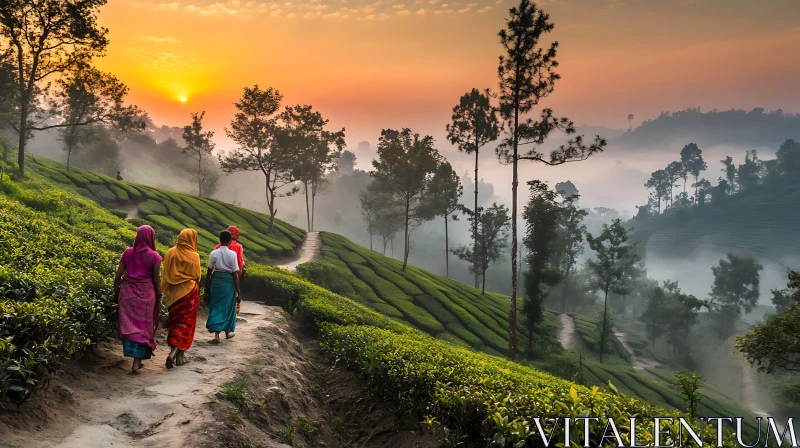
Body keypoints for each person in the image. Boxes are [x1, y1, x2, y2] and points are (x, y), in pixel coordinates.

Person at [114, 225, 163, 374]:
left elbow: (118, 276)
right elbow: (156, 280)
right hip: (146, 295)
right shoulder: (154, 257)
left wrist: (117, 294)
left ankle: (134, 357)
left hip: (127, 293)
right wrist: (159, 296)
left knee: (130, 327)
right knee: (143, 327)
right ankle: (137, 361)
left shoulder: (128, 253)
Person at [161, 229, 201, 369]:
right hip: (189, 291)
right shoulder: (194, 256)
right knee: (186, 323)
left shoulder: (170, 252)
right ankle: (177, 353)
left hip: (173, 294)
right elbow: (197, 276)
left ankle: (177, 353)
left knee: (176, 322)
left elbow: (165, 272)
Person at [205, 230, 240, 343]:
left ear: (219, 240)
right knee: (228, 307)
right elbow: (235, 274)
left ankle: (216, 334)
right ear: (230, 241)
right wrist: (238, 291)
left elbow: (209, 272)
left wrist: (206, 287)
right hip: (228, 283)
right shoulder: (232, 254)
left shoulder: (213, 253)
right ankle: (228, 332)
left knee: (216, 305)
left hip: (216, 282)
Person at [216, 225, 245, 314]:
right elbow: (240, 264)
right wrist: (237, 277)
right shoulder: (238, 246)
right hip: (233, 276)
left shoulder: (217, 247)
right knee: (232, 296)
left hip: (218, 277)